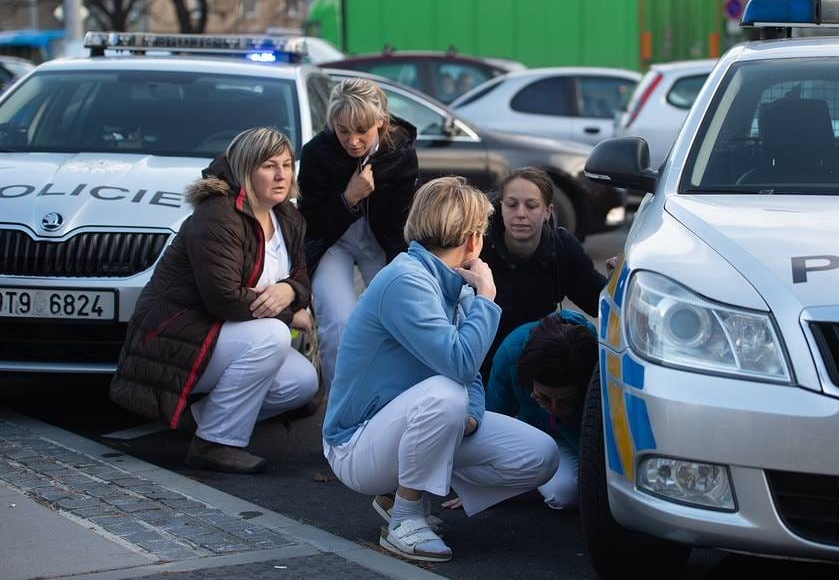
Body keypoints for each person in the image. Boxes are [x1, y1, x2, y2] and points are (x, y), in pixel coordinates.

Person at [321, 176, 559, 563]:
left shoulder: (452, 282)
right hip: (356, 446)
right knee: (446, 394)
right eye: (481, 229)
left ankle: (402, 491)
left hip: (409, 429)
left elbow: (471, 374)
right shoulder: (406, 280)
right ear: (471, 238)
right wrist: (487, 297)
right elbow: (460, 362)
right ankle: (405, 518)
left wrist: (471, 416)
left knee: (540, 455)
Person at [110, 128, 318, 474]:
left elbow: (303, 277)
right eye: (269, 166)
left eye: (286, 165)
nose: (282, 175)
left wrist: (292, 290)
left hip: (227, 337)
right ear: (245, 170)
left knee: (301, 382)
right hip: (177, 337)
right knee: (273, 336)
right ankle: (215, 444)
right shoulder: (218, 215)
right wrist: (289, 314)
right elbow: (223, 298)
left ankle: (199, 420)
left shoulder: (287, 216)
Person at [297, 78, 419, 394]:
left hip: (381, 242)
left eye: (361, 130)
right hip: (332, 241)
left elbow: (402, 225)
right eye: (342, 131)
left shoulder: (400, 151)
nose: (352, 141)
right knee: (339, 325)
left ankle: (394, 401)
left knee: (398, 319)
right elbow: (311, 224)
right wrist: (348, 198)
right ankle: (341, 409)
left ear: (380, 120)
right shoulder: (316, 154)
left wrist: (403, 274)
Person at [480, 167, 606, 378]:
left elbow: (599, 300)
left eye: (531, 206)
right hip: (481, 362)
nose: (520, 214)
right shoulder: (477, 245)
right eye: (511, 205)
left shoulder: (562, 247)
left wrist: (620, 283)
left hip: (536, 363)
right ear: (501, 207)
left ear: (547, 211)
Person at [486, 310, 597, 510]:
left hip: (581, 436)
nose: (553, 407)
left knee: (580, 492)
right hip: (534, 429)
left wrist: (567, 416)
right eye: (544, 397)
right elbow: (494, 414)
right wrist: (480, 486)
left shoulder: (597, 360)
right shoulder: (512, 351)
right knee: (563, 492)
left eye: (564, 399)